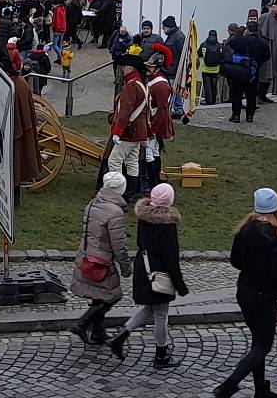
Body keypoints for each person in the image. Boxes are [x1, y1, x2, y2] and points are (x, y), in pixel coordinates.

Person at [213, 188, 277, 398]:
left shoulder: (245, 228)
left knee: (257, 342)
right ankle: (229, 385)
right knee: (263, 346)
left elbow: (235, 260)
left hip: (244, 290)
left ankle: (261, 390)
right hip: (264, 296)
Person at [109, 183, 189, 368]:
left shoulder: (144, 218)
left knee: (151, 308)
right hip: (158, 273)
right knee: (161, 314)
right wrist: (180, 284)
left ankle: (122, 336)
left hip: (143, 269)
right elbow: (171, 259)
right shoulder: (167, 225)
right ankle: (162, 355)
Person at [70, 171, 132, 346]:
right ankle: (82, 323)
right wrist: (126, 267)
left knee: (98, 296)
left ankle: (98, 331)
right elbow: (118, 244)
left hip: (87, 255)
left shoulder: (93, 204)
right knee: (112, 296)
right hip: (101, 261)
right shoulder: (115, 212)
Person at [108, 53, 150, 202]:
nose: (122, 69)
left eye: (125, 66)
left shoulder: (131, 86)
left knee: (114, 161)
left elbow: (125, 111)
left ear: (130, 68)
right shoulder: (142, 84)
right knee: (132, 162)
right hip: (139, 131)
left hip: (129, 131)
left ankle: (116, 194)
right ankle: (130, 194)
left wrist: (118, 132)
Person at [9, 66, 41, 207]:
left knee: (15, 165)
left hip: (14, 131)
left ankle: (14, 197)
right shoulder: (22, 82)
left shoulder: (12, 85)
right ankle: (15, 197)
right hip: (21, 128)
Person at [227, 21, 270, 123]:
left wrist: (240, 34)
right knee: (251, 95)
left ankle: (236, 115)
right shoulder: (262, 44)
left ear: (247, 29)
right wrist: (258, 63)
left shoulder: (239, 41)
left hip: (239, 71)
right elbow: (267, 57)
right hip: (254, 73)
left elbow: (230, 45)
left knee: (237, 94)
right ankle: (250, 115)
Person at [144, 44, 175, 190]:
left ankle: (153, 182)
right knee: (152, 151)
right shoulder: (154, 80)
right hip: (152, 121)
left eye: (150, 67)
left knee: (151, 152)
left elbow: (162, 110)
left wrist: (153, 129)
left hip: (156, 122)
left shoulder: (161, 85)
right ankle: (154, 181)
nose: (147, 70)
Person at [161, 16, 186, 118]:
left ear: (169, 27)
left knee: (175, 89)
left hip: (175, 68)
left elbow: (183, 53)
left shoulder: (178, 36)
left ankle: (178, 109)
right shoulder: (173, 35)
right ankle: (176, 108)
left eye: (164, 27)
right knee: (173, 89)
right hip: (171, 67)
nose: (163, 29)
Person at [199, 30, 223, 106]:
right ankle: (214, 100)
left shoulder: (204, 45)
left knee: (207, 86)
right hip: (216, 69)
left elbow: (199, 54)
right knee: (214, 85)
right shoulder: (220, 46)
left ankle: (208, 101)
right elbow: (222, 56)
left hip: (205, 69)